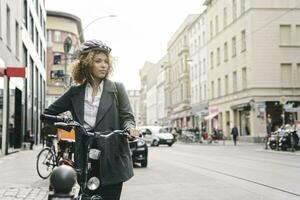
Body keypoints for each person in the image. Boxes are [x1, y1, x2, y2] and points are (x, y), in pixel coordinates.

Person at [44, 39, 139, 200]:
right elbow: (47, 114)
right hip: (84, 155)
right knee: (87, 195)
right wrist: (68, 124)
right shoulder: (75, 92)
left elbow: (127, 117)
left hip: (112, 157)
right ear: (87, 64)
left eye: (106, 62)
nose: (104, 65)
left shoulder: (117, 89)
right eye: (98, 61)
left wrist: (130, 129)